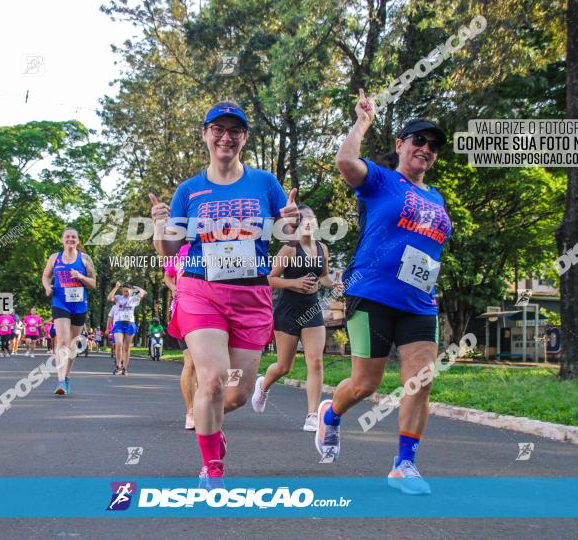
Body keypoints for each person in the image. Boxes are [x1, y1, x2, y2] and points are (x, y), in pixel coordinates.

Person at [150, 101, 298, 488]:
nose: (226, 137)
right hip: (201, 289)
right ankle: (211, 466)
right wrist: (159, 226)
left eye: (234, 131)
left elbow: (288, 238)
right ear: (205, 134)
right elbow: (168, 250)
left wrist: (291, 225)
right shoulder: (190, 190)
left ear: (244, 138)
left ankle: (212, 430)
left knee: (235, 393)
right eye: (218, 129)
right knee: (212, 380)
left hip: (251, 295)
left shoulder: (265, 183)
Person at [315, 91, 452, 496]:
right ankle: (331, 413)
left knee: (421, 381)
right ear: (401, 146)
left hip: (418, 302)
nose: (425, 149)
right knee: (365, 385)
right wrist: (362, 122)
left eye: (432, 146)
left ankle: (404, 464)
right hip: (371, 295)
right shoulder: (381, 179)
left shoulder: (436, 197)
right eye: (418, 141)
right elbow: (344, 162)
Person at [252, 204, 334, 431]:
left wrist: (334, 283)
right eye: (304, 218)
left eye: (312, 218)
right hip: (288, 310)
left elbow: (324, 276)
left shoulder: (322, 249)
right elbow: (268, 279)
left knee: (315, 362)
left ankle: (311, 415)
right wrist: (294, 283)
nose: (309, 222)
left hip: (312, 310)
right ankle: (263, 386)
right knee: (283, 366)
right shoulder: (289, 249)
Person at [42, 228, 96, 396]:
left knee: (72, 344)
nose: (70, 239)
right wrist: (47, 287)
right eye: (67, 237)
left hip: (79, 304)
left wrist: (80, 276)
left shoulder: (85, 259)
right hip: (60, 302)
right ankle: (59, 380)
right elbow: (46, 276)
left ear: (78, 241)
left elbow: (93, 284)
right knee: (62, 341)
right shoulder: (54, 258)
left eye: (74, 237)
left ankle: (66, 377)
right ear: (62, 240)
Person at [164, 242, 196, 429]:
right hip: (182, 310)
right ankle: (191, 411)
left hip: (210, 312)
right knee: (190, 362)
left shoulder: (215, 245)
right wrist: (173, 288)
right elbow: (168, 276)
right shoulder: (179, 251)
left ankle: (203, 408)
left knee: (206, 365)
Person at [107, 283, 146, 375]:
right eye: (124, 291)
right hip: (119, 324)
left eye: (127, 291)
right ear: (122, 291)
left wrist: (136, 287)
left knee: (127, 347)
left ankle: (125, 368)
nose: (125, 293)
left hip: (130, 324)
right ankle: (118, 366)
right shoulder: (118, 298)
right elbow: (109, 298)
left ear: (131, 292)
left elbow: (143, 292)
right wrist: (116, 287)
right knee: (119, 344)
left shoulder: (134, 299)